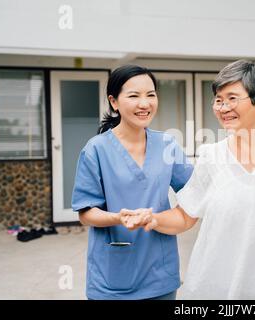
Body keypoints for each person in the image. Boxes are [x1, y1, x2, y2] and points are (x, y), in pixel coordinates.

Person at [133, 60, 255, 300]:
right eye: (218, 100)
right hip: (220, 289)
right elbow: (186, 215)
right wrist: (152, 218)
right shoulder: (211, 157)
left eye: (232, 98)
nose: (223, 107)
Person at [71, 65, 193, 300]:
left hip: (161, 275)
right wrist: (117, 218)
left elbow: (194, 193)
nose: (145, 104)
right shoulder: (96, 149)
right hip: (112, 279)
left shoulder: (168, 145)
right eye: (134, 95)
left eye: (151, 94)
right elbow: (86, 213)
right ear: (114, 102)